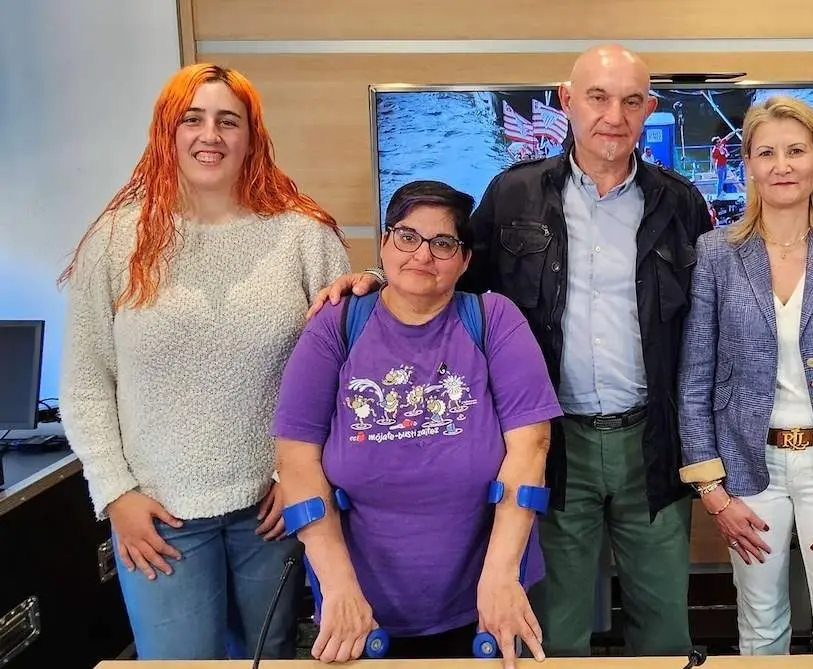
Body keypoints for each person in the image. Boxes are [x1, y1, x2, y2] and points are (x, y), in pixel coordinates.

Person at [307, 44, 713, 657]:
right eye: (598, 97)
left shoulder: (680, 203)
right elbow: (449, 279)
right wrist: (372, 278)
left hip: (652, 443)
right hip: (547, 445)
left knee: (664, 630)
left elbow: (708, 318)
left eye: (632, 101)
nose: (614, 115)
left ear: (650, 108)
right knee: (551, 629)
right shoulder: (515, 195)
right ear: (566, 101)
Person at [57, 63, 350, 660]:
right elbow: (87, 383)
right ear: (167, 131)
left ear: (252, 137)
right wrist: (115, 494)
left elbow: (343, 369)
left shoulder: (304, 235)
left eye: (227, 121)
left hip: (271, 510)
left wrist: (296, 476)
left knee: (265, 656)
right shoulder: (116, 242)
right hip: (158, 519)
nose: (209, 135)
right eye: (192, 119)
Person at [272, 180, 562, 666]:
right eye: (407, 236)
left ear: (465, 260)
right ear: (385, 244)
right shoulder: (336, 324)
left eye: (443, 243)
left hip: (486, 598)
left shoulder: (494, 320)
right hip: (359, 606)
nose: (422, 255)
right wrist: (338, 586)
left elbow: (530, 449)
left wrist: (499, 576)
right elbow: (297, 460)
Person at [677, 96, 813, 656]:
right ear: (747, 162)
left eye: (796, 150)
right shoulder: (717, 254)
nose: (782, 165)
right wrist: (714, 492)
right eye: (766, 152)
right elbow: (695, 377)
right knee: (762, 629)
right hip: (751, 474)